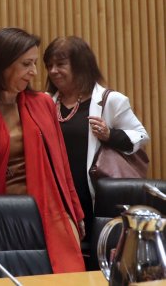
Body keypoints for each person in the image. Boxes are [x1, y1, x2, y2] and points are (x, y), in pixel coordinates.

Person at [0, 27, 85, 273]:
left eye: (33, 63)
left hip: (51, 211)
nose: (34, 72)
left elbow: (62, 165)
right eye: (26, 64)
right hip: (1, 217)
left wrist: (75, 212)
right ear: (2, 65)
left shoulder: (42, 104)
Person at [43, 36, 149, 253]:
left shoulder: (110, 101)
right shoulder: (45, 102)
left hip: (93, 196)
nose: (53, 71)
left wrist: (110, 135)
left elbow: (140, 136)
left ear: (81, 65)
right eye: (49, 65)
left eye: (60, 64)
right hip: (57, 197)